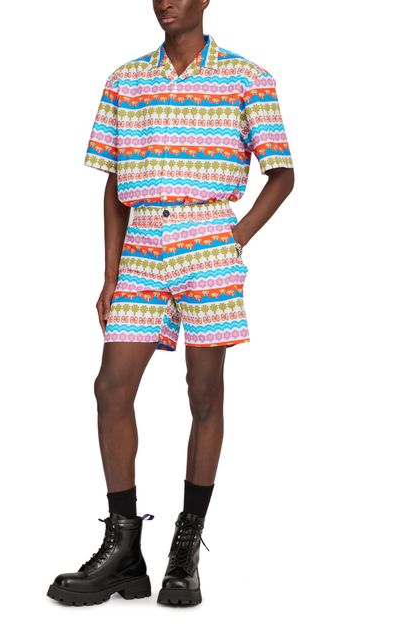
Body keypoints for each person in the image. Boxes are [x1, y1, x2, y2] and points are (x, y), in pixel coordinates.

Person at [46, 0, 294, 608]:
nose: (166, 2)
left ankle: (185, 549)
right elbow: (114, 181)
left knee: (203, 391)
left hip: (208, 240)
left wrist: (232, 238)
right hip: (139, 248)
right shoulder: (126, 80)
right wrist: (109, 275)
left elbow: (282, 173)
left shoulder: (247, 78)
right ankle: (124, 548)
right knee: (110, 387)